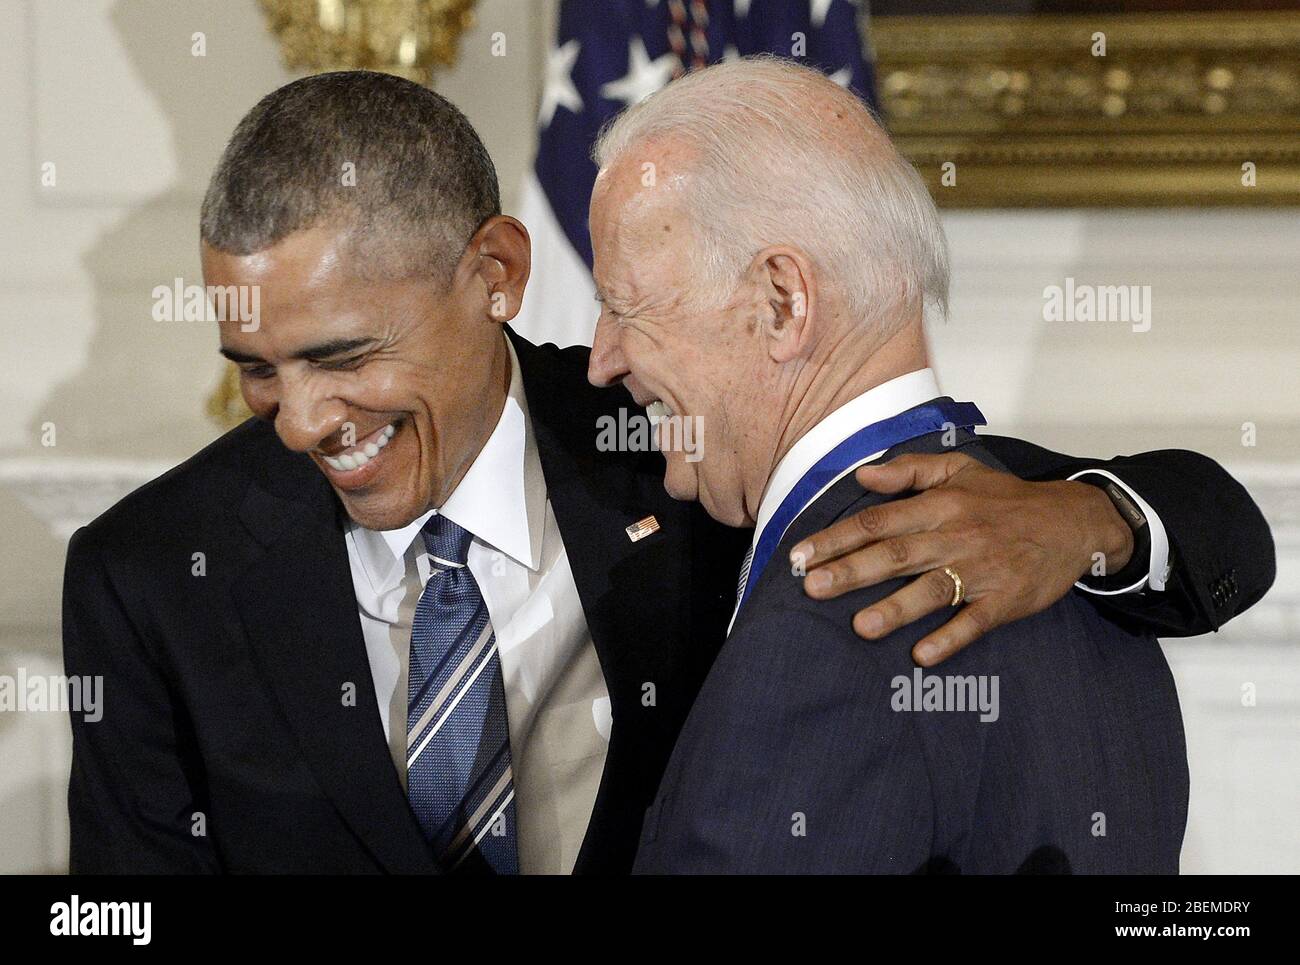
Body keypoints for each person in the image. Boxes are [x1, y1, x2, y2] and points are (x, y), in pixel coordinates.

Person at [63, 71, 1271, 874]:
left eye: (342, 355)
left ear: (493, 272)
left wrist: (1093, 517)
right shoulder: (152, 572)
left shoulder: (687, 448)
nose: (297, 419)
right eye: (255, 367)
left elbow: (1200, 523)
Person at [578, 57, 1239, 873]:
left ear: (784, 301)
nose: (600, 361)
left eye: (626, 306)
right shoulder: (1092, 580)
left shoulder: (826, 627)